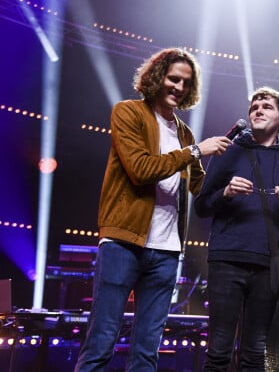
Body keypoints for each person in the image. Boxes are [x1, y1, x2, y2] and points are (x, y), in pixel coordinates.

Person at [75, 48, 232, 372]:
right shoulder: (128, 112)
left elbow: (199, 187)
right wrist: (193, 151)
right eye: (174, 79)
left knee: (147, 352)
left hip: (166, 250)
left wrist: (227, 188)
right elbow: (140, 169)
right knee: (101, 342)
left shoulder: (184, 132)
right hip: (123, 243)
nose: (179, 87)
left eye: (186, 83)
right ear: (157, 77)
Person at [194, 87, 279, 371]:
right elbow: (201, 207)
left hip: (267, 264)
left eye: (266, 106)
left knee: (255, 353)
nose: (257, 109)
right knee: (218, 350)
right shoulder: (226, 152)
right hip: (227, 260)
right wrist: (226, 193)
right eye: (254, 106)